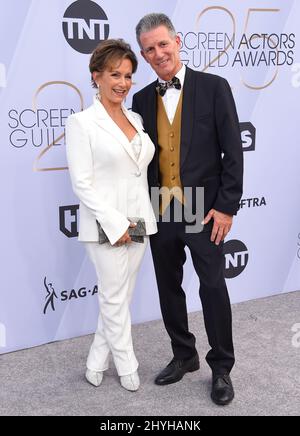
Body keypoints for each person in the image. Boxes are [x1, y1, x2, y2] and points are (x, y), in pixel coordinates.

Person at [132, 13, 243, 405]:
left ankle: (222, 367)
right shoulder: (141, 99)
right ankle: (184, 355)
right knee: (168, 286)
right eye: (149, 49)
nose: (158, 53)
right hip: (161, 206)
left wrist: (227, 207)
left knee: (212, 286)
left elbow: (233, 150)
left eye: (163, 44)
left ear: (177, 42)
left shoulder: (214, 87)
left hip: (204, 206)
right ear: (144, 56)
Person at [66, 39, 157, 391]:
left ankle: (94, 362)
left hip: (139, 220)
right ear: (97, 76)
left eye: (129, 75)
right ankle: (127, 364)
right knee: (113, 296)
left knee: (122, 294)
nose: (123, 82)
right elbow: (82, 183)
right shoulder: (82, 123)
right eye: (115, 74)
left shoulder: (134, 117)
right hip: (106, 224)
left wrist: (132, 222)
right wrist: (115, 222)